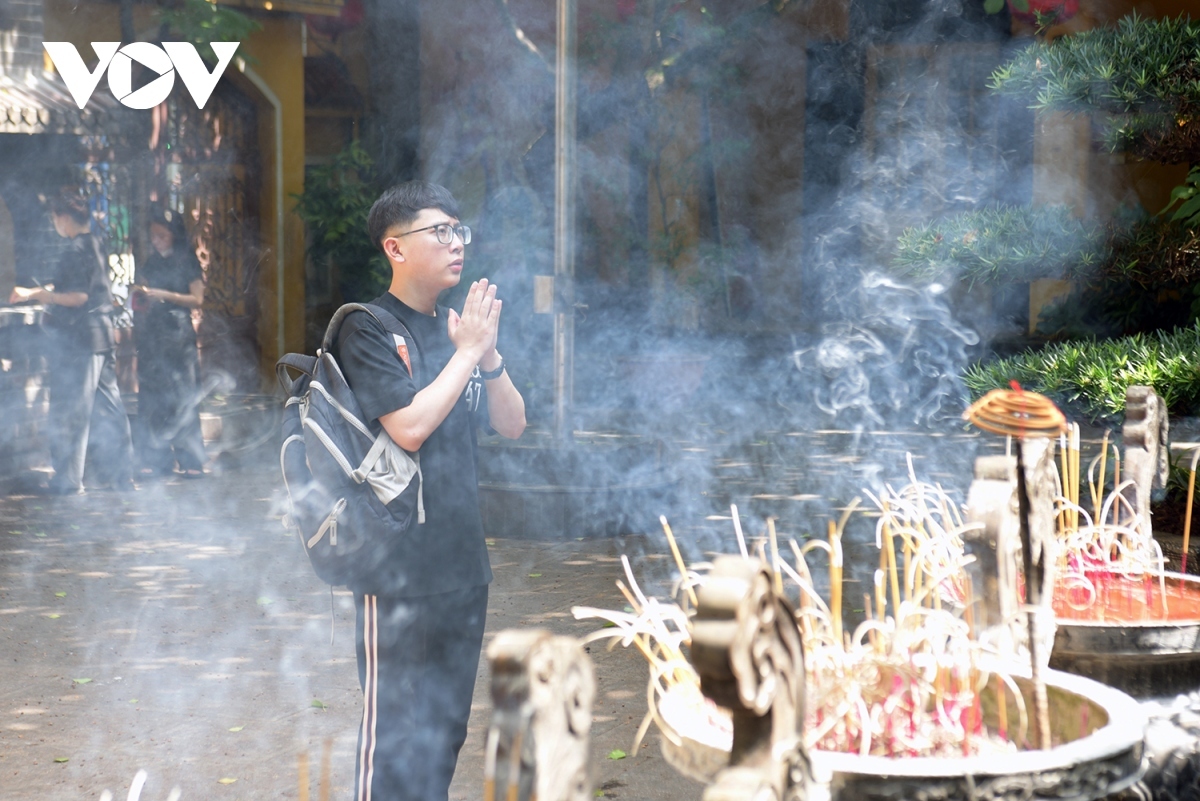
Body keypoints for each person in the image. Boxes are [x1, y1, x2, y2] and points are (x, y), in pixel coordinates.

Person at [331, 181, 526, 801]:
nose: (455, 242)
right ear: (395, 247)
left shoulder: (457, 331)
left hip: (462, 563)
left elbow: (513, 423)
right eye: (438, 231)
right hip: (395, 571)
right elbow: (409, 429)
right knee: (394, 735)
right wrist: (467, 355)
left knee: (444, 732)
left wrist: (487, 357)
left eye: (458, 230)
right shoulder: (365, 328)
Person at [9, 188, 134, 495]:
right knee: (111, 407)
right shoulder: (94, 243)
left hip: (85, 339)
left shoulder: (76, 249)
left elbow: (78, 296)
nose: (54, 223)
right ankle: (123, 476)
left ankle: (69, 481)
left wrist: (38, 294)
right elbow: (75, 286)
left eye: (54, 217)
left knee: (76, 411)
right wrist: (31, 292)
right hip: (103, 337)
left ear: (62, 217)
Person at [131, 209, 207, 478]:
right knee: (153, 396)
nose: (157, 240)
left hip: (178, 336)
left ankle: (191, 460)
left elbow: (197, 298)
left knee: (182, 396)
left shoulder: (186, 260)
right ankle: (156, 459)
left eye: (162, 235)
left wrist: (166, 295)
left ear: (174, 234)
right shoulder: (151, 262)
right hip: (153, 335)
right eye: (153, 235)